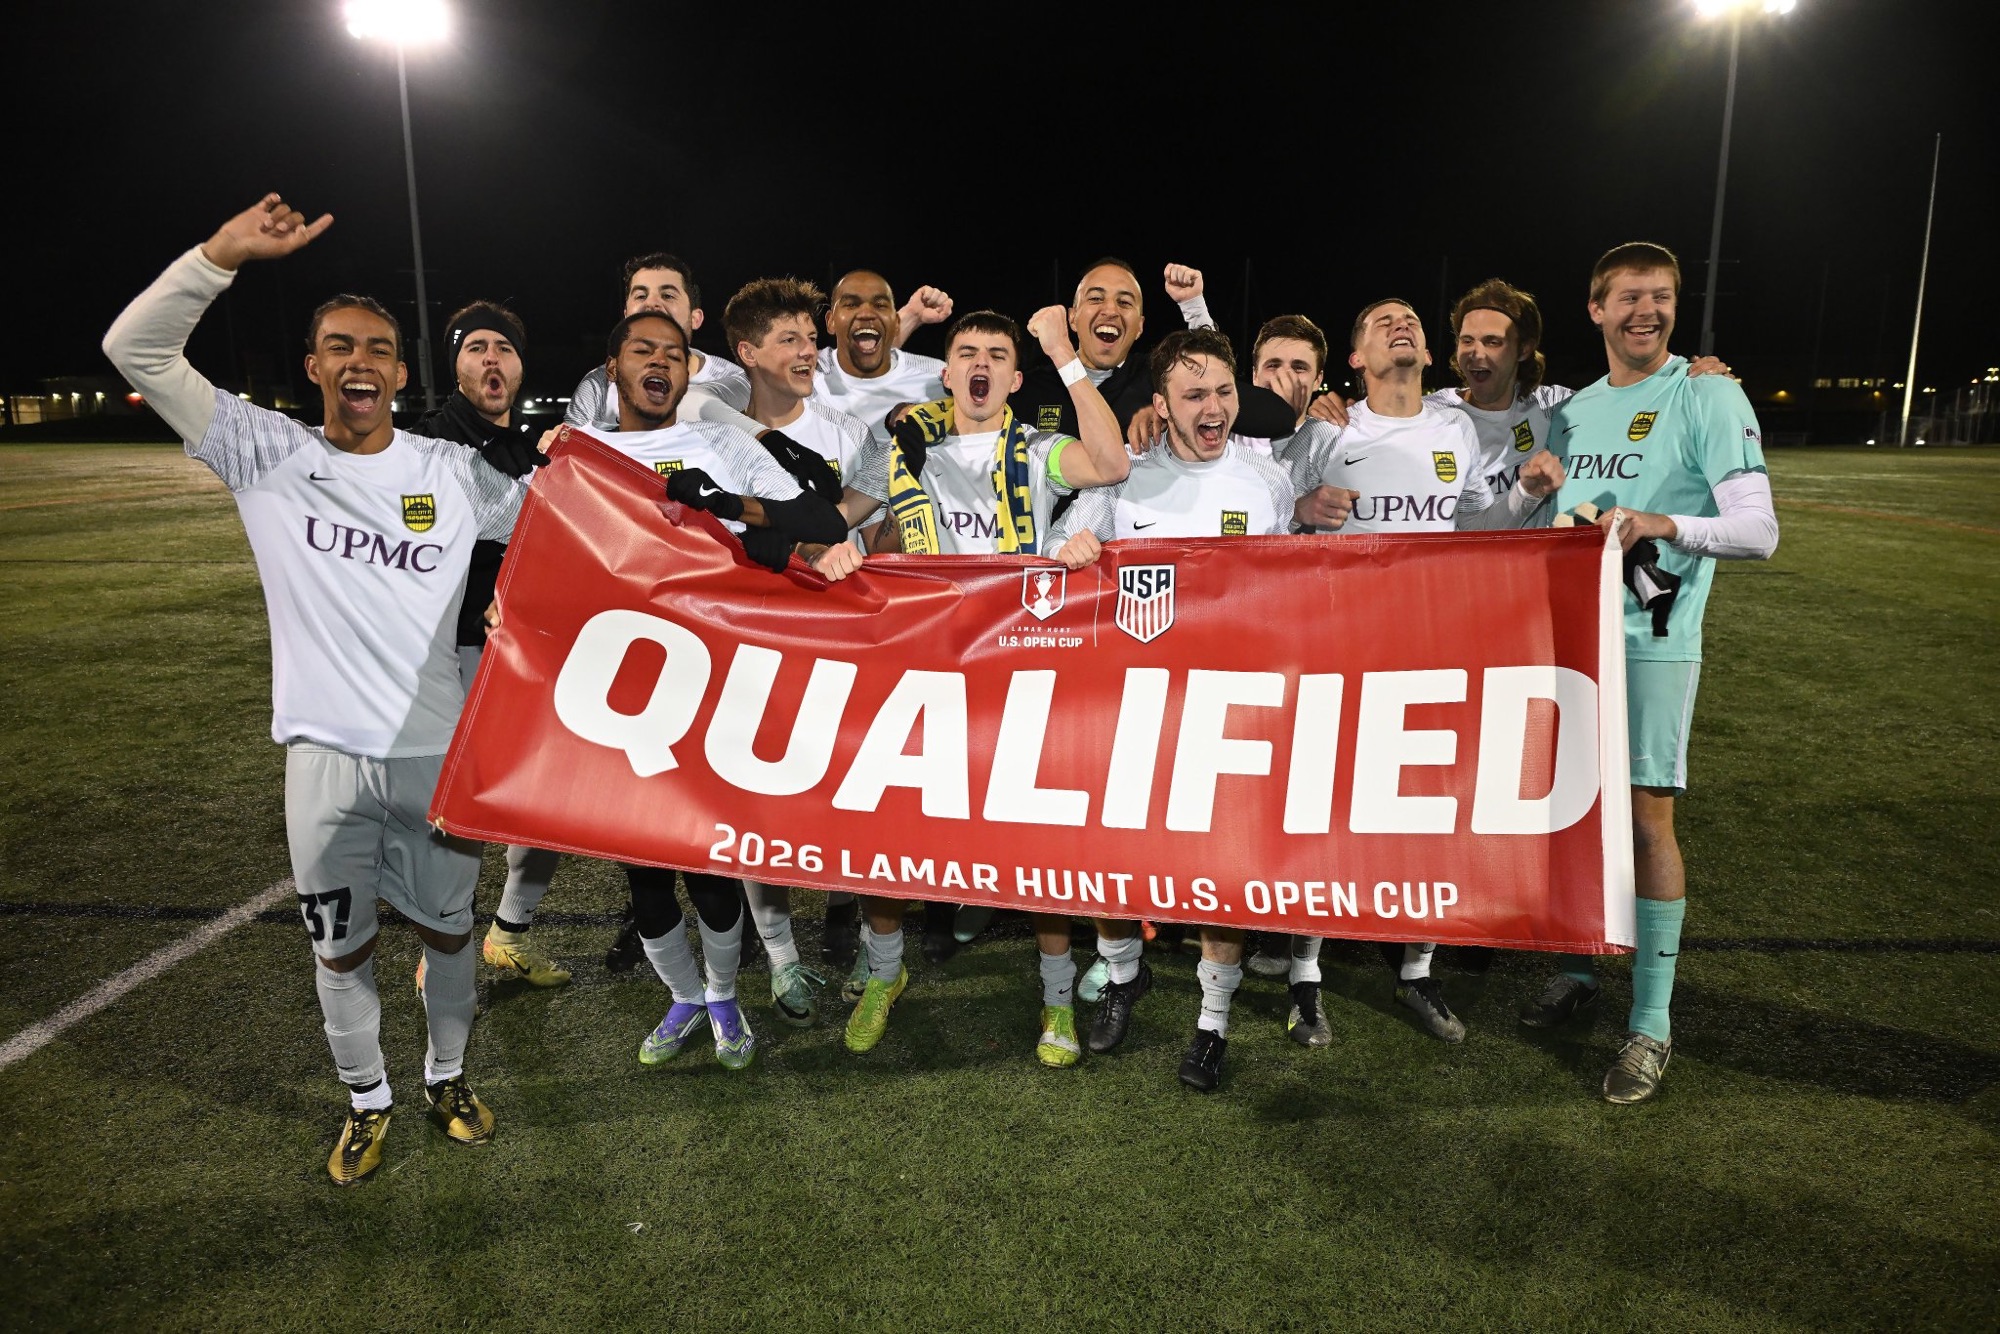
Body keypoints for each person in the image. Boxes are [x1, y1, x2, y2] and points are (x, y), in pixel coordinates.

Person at [102, 194, 530, 1186]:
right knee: (339, 950)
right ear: (313, 367)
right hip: (322, 760)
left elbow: (568, 530)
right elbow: (135, 350)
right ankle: (366, 1098)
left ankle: (447, 1077)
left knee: (449, 935)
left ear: (401, 372)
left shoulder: (451, 471)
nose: (360, 362)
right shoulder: (269, 454)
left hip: (432, 753)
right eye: (340, 346)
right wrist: (220, 255)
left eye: (378, 349)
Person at [804, 307, 1130, 1061]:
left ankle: (1056, 1001)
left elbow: (1112, 464)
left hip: (1018, 672)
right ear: (946, 372)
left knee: (1039, 847)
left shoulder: (1040, 450)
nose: (981, 364)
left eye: (998, 356)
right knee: (885, 832)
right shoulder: (903, 447)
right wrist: (831, 550)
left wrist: (1063, 354)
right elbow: (836, 518)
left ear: (1014, 379)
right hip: (920, 669)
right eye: (967, 353)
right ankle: (885, 974)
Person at [1525, 242, 1777, 1105]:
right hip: (1568, 645)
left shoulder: (1707, 392)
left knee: (1644, 823)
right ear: (1595, 309)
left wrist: (1663, 523)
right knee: (1568, 811)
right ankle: (1581, 969)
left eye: (1661, 296)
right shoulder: (1573, 411)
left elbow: (1759, 531)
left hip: (1652, 641)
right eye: (1629, 296)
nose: (1647, 311)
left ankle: (1651, 1024)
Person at [1285, 298, 1566, 1045]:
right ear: (1355, 358)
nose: (1399, 324)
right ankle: (1305, 977)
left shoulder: (1454, 428)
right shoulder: (1327, 428)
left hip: (1435, 646)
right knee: (1328, 810)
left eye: (1408, 317)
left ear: (1428, 352)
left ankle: (1418, 969)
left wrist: (1525, 495)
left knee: (1431, 807)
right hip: (1341, 648)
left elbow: (1473, 528)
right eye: (1380, 322)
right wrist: (1304, 506)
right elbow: (1270, 514)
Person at [583, 309, 848, 1070]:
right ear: (613, 368)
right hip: (619, 681)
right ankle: (684, 998)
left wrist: (726, 504)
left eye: (674, 353)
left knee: (708, 859)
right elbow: (533, 540)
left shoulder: (717, 444)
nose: (660, 362)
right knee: (642, 869)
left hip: (708, 678)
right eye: (643, 350)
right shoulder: (582, 450)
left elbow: (819, 515)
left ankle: (725, 996)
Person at [1045, 328, 1299, 1091]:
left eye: (1223, 392)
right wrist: (1072, 552)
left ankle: (1212, 1025)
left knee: (1223, 876)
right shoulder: (1124, 480)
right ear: (1161, 405)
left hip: (1231, 711)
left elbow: (1292, 589)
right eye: (1194, 395)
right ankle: (1124, 977)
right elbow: (1054, 554)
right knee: (1108, 861)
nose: (1212, 407)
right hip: (1133, 707)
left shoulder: (1267, 482)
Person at [719, 276, 878, 1027]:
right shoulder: (712, 430)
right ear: (747, 353)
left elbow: (875, 526)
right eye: (789, 339)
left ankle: (865, 932)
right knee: (756, 798)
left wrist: (833, 545)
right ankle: (782, 957)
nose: (810, 349)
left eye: (811, 337)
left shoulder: (849, 432)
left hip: (843, 640)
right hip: (754, 641)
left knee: (857, 789)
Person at [405, 302, 570, 990]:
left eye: (505, 347)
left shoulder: (541, 450)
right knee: (462, 805)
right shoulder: (419, 445)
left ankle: (510, 933)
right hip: (452, 657)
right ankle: (442, 949)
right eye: (476, 347)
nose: (492, 358)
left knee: (545, 801)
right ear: (456, 365)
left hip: (527, 655)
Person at [564, 252, 751, 432]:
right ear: (626, 317)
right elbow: (567, 447)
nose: (652, 303)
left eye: (668, 295)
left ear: (695, 318)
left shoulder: (734, 380)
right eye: (641, 296)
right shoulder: (599, 384)